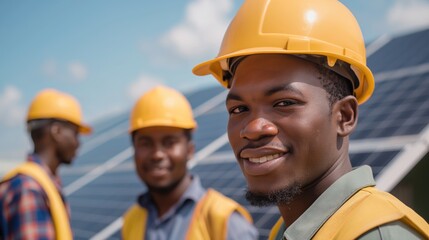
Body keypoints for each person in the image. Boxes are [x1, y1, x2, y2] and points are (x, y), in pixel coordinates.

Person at [192, 0, 429, 239]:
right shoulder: (290, 230)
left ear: (344, 116)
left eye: (284, 103)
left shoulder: (373, 235)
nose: (253, 128)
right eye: (238, 109)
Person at [122, 86, 258, 239]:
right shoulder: (131, 220)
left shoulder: (225, 222)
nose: (157, 155)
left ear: (190, 150)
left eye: (169, 142)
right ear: (134, 150)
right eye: (145, 143)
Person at [0, 89, 92, 240]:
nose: (78, 143)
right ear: (57, 132)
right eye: (75, 134)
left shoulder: (39, 184)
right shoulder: (28, 188)